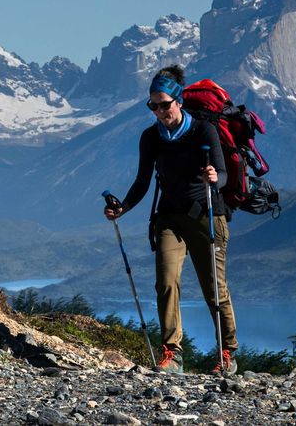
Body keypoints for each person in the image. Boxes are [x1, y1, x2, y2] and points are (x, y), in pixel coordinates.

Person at [103, 64, 239, 374]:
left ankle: (227, 351)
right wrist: (122, 208)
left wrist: (214, 177)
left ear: (178, 100)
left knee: (213, 287)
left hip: (207, 216)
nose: (160, 111)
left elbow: (224, 175)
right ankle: (172, 352)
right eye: (153, 105)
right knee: (166, 282)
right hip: (168, 218)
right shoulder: (151, 138)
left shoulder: (203, 130)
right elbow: (142, 181)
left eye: (164, 104)